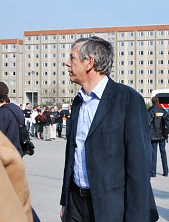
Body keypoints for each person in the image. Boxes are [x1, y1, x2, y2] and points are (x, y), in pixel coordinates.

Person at [60, 36, 158, 222]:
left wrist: (135, 217)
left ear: (89, 62)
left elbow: (138, 165)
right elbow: (72, 153)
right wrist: (66, 202)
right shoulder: (78, 101)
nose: (67, 63)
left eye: (72, 58)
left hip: (110, 208)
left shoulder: (128, 99)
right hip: (76, 204)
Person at [0, 81, 40, 221]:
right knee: (16, 196)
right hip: (17, 157)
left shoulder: (0, 115)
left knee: (12, 197)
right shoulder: (15, 108)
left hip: (4, 162)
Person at [148, 96, 169, 177]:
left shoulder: (150, 111)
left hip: (153, 136)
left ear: (152, 102)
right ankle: (166, 171)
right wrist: (165, 134)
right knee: (163, 152)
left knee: (153, 153)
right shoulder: (163, 111)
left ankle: (153, 172)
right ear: (158, 102)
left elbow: (147, 123)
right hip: (162, 136)